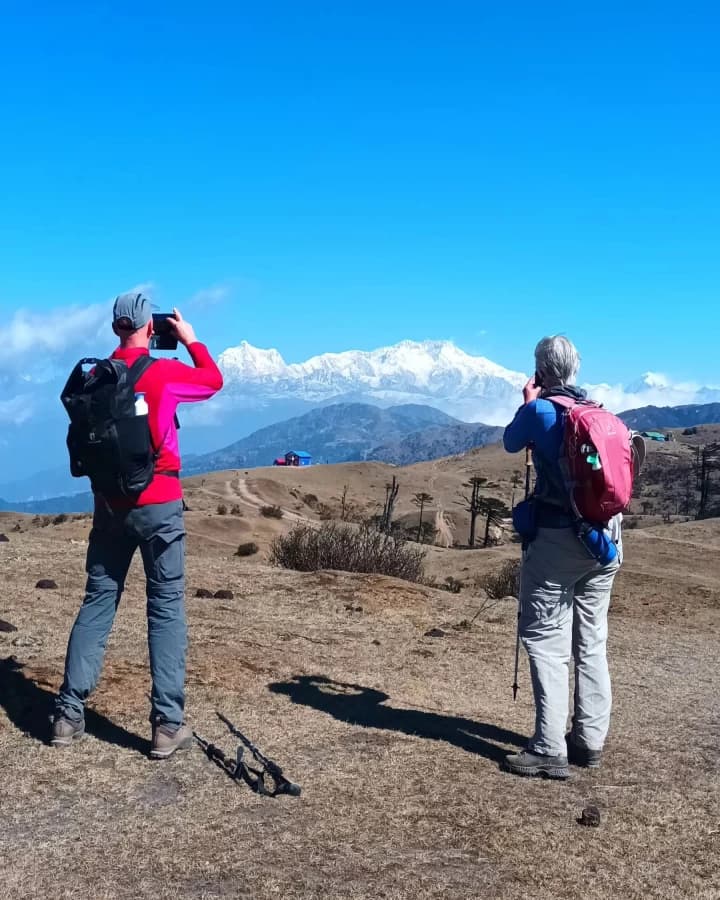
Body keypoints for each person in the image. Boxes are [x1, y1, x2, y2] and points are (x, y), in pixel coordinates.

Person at [52, 293, 223, 758]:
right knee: (165, 606)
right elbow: (213, 381)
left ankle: (68, 715)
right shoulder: (163, 373)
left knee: (99, 599)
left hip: (109, 505)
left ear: (115, 329)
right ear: (153, 328)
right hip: (160, 504)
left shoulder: (97, 378)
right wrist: (190, 340)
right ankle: (167, 725)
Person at [502, 335, 622, 779]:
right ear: (575, 370)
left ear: (539, 370)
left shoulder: (539, 411)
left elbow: (511, 442)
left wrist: (528, 401)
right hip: (605, 540)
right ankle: (588, 741)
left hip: (559, 540)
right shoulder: (599, 412)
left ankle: (548, 747)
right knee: (591, 642)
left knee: (547, 641)